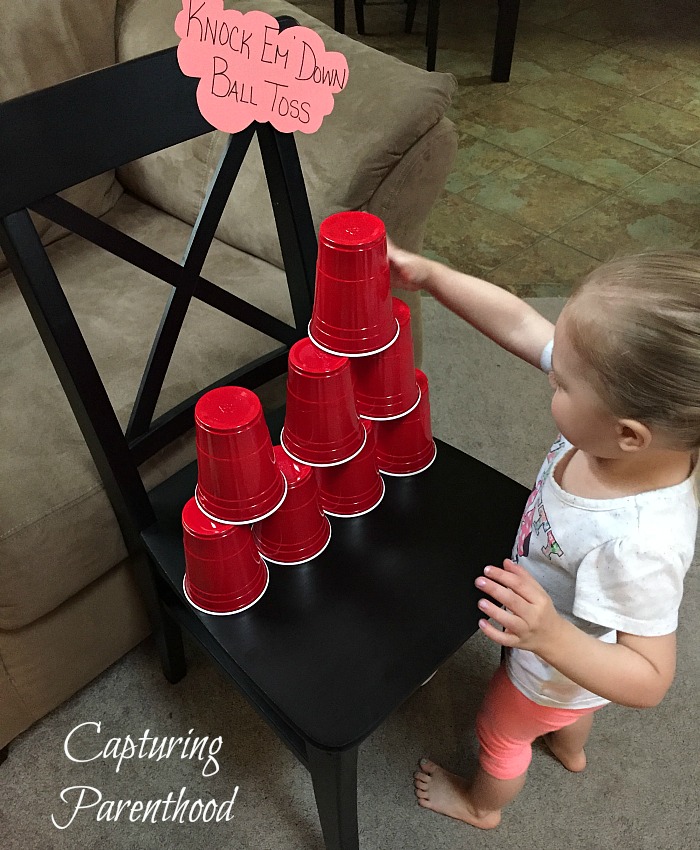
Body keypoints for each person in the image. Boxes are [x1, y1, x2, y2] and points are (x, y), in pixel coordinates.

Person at [387, 244, 699, 830]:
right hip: (571, 656)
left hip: (553, 662)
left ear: (629, 433)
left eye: (561, 383)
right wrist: (431, 275)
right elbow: (520, 323)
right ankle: (570, 745)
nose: (548, 374)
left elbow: (651, 679)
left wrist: (550, 637)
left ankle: (482, 807)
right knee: (570, 709)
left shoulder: (639, 543)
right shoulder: (627, 425)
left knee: (502, 731)